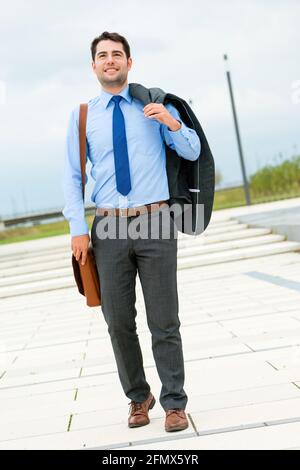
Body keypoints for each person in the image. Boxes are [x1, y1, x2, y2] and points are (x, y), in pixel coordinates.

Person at [62, 31, 201, 433]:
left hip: (155, 220)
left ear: (129, 62)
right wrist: (77, 229)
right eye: (102, 55)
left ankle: (175, 403)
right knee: (118, 320)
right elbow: (72, 177)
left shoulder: (153, 106)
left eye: (117, 54)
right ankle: (138, 398)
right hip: (107, 226)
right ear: (94, 66)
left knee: (164, 320)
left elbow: (191, 151)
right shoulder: (83, 115)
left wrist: (172, 123)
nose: (110, 60)